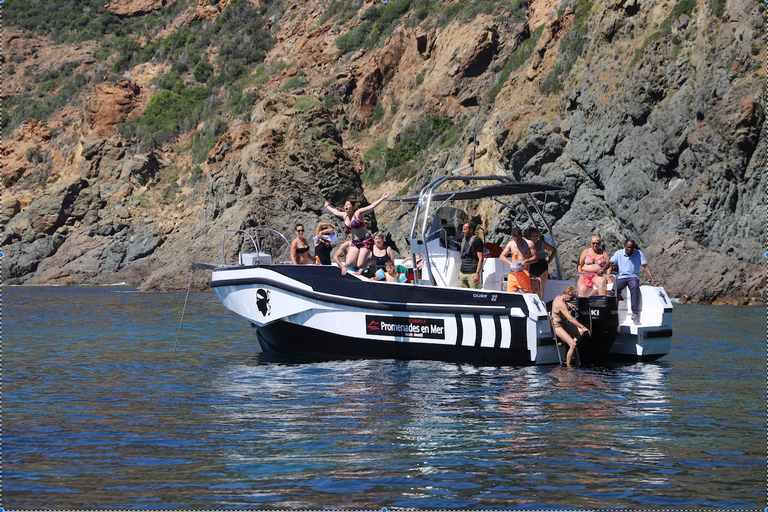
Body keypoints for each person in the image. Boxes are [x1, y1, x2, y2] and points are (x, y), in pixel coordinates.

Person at [324, 193, 390, 270]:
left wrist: (382, 198)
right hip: (355, 242)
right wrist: (327, 206)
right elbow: (335, 211)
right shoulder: (344, 215)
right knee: (349, 263)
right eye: (345, 205)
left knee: (360, 265)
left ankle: (372, 262)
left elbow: (371, 207)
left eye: (348, 205)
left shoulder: (358, 213)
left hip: (365, 240)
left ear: (353, 207)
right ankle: (363, 260)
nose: (345, 206)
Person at [610, 239, 659, 324]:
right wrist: (602, 269)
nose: (630, 249)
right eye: (628, 247)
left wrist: (652, 278)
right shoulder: (619, 253)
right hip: (621, 277)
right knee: (615, 290)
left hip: (633, 276)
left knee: (635, 287)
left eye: (632, 247)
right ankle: (612, 311)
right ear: (624, 246)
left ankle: (635, 313)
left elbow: (645, 266)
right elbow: (610, 263)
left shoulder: (638, 253)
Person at [551, 285, 590, 367]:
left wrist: (568, 303)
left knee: (581, 332)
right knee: (573, 344)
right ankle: (568, 366)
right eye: (570, 298)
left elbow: (564, 301)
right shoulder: (561, 304)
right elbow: (570, 319)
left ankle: (569, 347)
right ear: (565, 293)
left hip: (564, 325)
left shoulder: (560, 297)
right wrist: (583, 326)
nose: (571, 300)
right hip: (557, 326)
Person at [499, 226, 537, 293]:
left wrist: (526, 261)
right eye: (516, 240)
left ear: (522, 236)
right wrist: (510, 263)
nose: (518, 241)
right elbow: (501, 256)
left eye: (519, 239)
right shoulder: (511, 244)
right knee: (510, 295)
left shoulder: (529, 243)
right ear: (513, 237)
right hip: (513, 273)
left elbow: (535, 257)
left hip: (524, 272)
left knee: (526, 294)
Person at [526, 227, 557, 298]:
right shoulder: (527, 244)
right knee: (535, 290)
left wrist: (549, 261)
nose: (535, 238)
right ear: (529, 236)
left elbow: (554, 250)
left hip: (543, 268)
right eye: (533, 236)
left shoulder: (542, 243)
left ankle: (541, 305)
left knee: (541, 290)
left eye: (536, 236)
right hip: (532, 268)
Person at [457, 222, 484, 288]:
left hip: (472, 274)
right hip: (463, 273)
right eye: (463, 229)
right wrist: (460, 272)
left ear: (471, 230)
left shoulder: (477, 241)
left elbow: (481, 258)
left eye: (465, 229)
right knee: (463, 294)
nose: (463, 231)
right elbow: (462, 257)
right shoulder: (463, 240)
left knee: (473, 294)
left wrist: (477, 273)